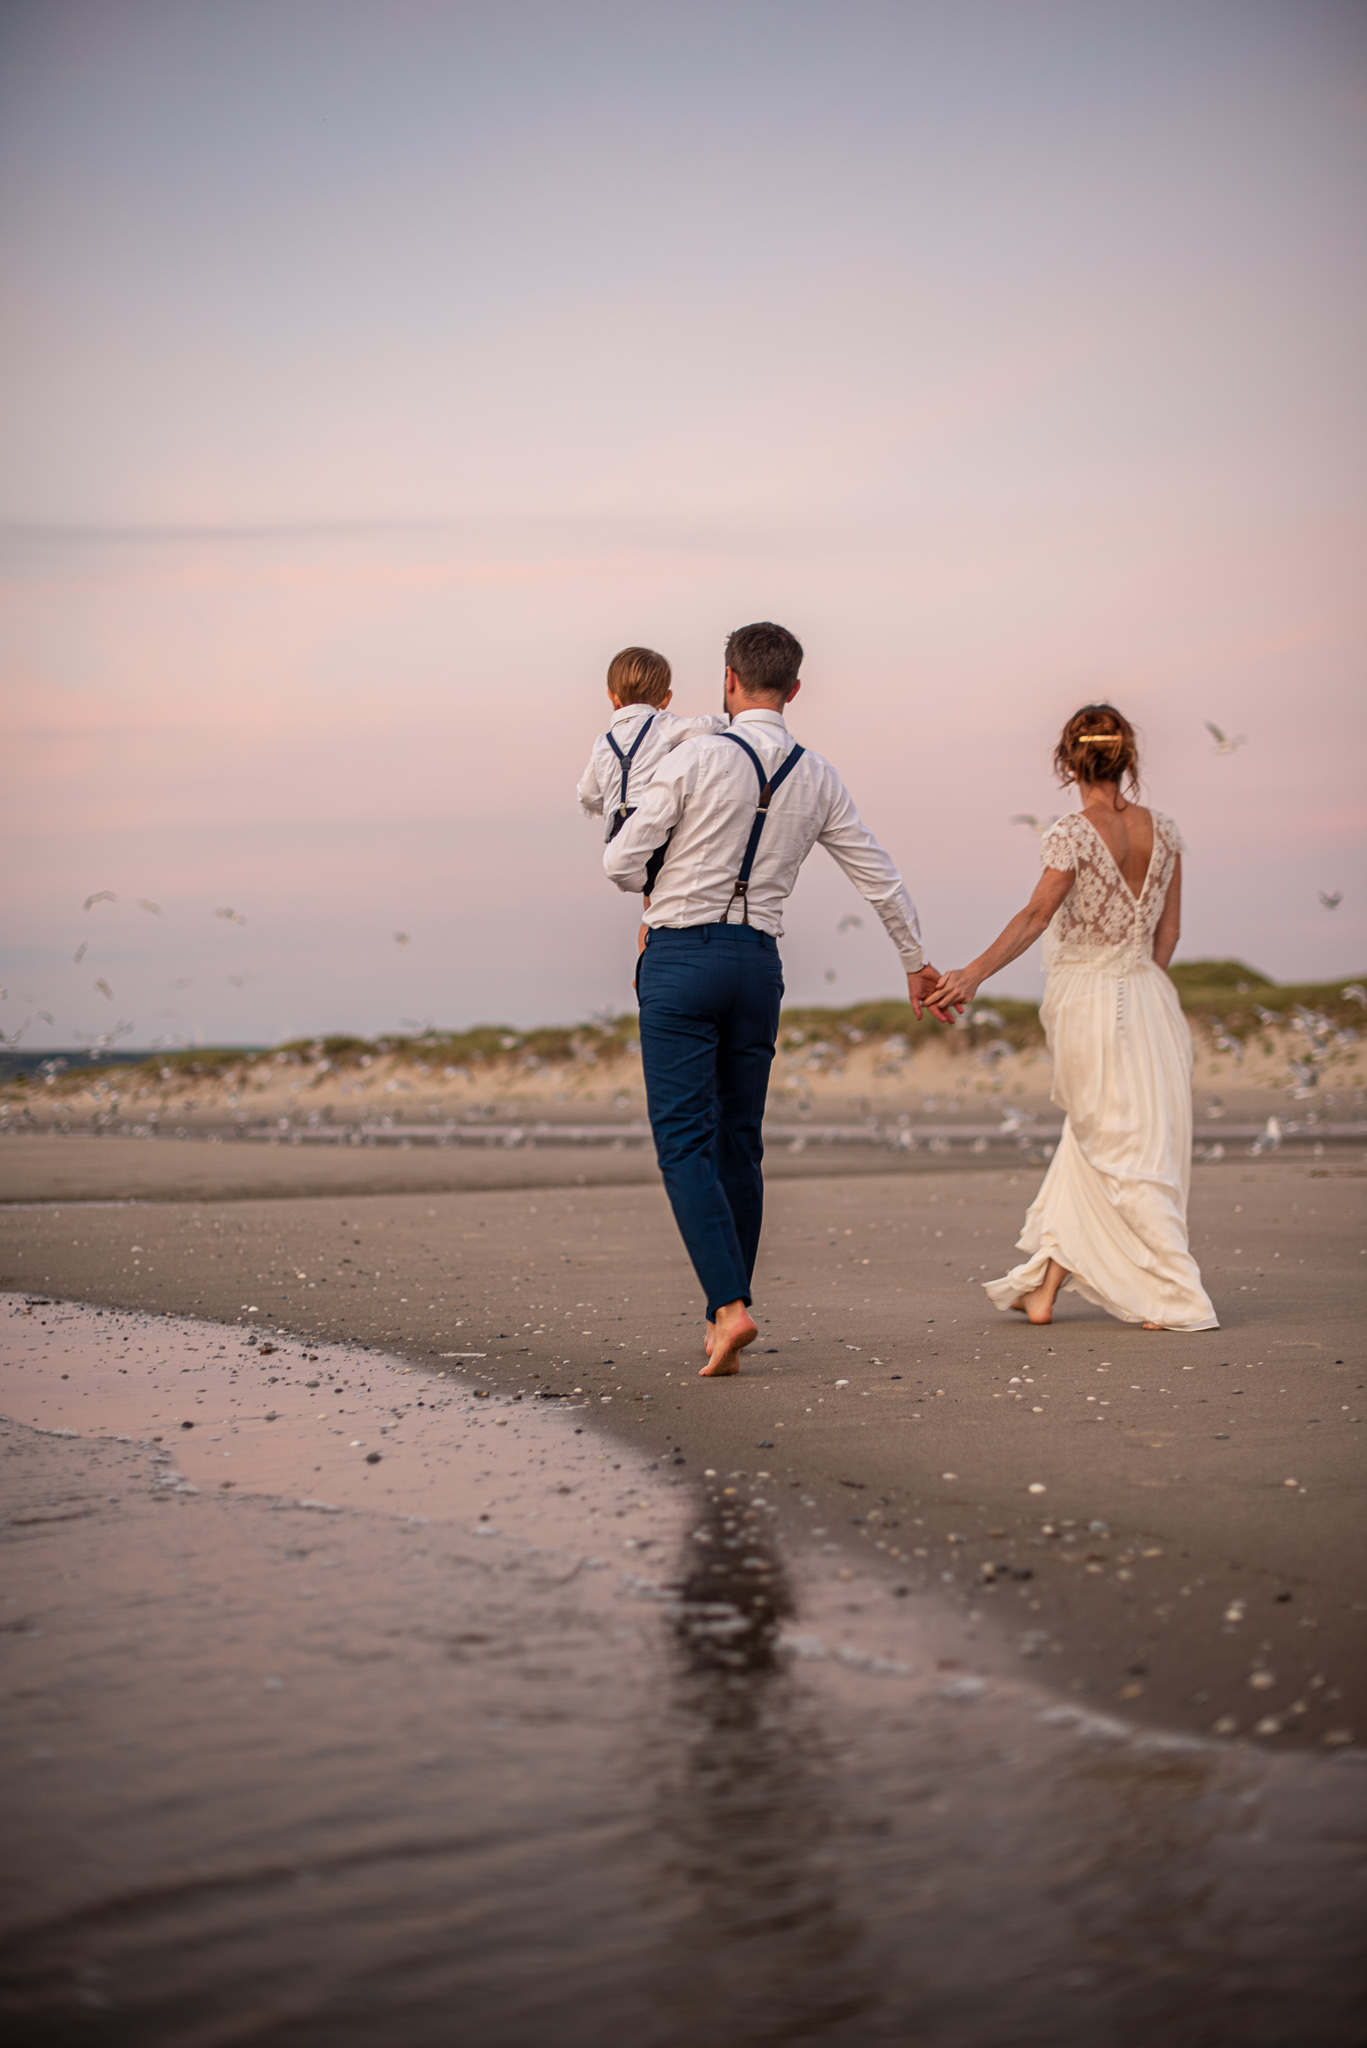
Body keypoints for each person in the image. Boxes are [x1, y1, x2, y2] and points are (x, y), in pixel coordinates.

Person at [605, 621, 948, 1376]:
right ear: (793, 688)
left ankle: (730, 1308)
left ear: (727, 681)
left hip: (679, 958)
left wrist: (658, 867)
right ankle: (719, 1319)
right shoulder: (817, 774)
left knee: (683, 1140)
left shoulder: (694, 755)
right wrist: (914, 961)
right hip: (757, 963)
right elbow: (879, 877)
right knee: (740, 1140)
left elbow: (621, 864)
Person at [929, 704, 1218, 1333]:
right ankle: (1044, 1288)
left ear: (1068, 761)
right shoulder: (1165, 831)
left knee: (1113, 1143)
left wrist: (973, 974)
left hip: (1089, 1000)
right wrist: (1141, 989)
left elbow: (1037, 916)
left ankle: (1171, 1292)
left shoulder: (1073, 833)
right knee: (1114, 1138)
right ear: (1128, 757)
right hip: (1151, 995)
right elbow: (1168, 933)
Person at [577, 646, 729, 846]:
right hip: (651, 821)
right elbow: (705, 727)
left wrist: (609, 804)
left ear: (613, 697)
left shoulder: (604, 742)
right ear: (666, 698)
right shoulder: (662, 726)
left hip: (617, 831)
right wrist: (734, 719)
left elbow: (587, 793)